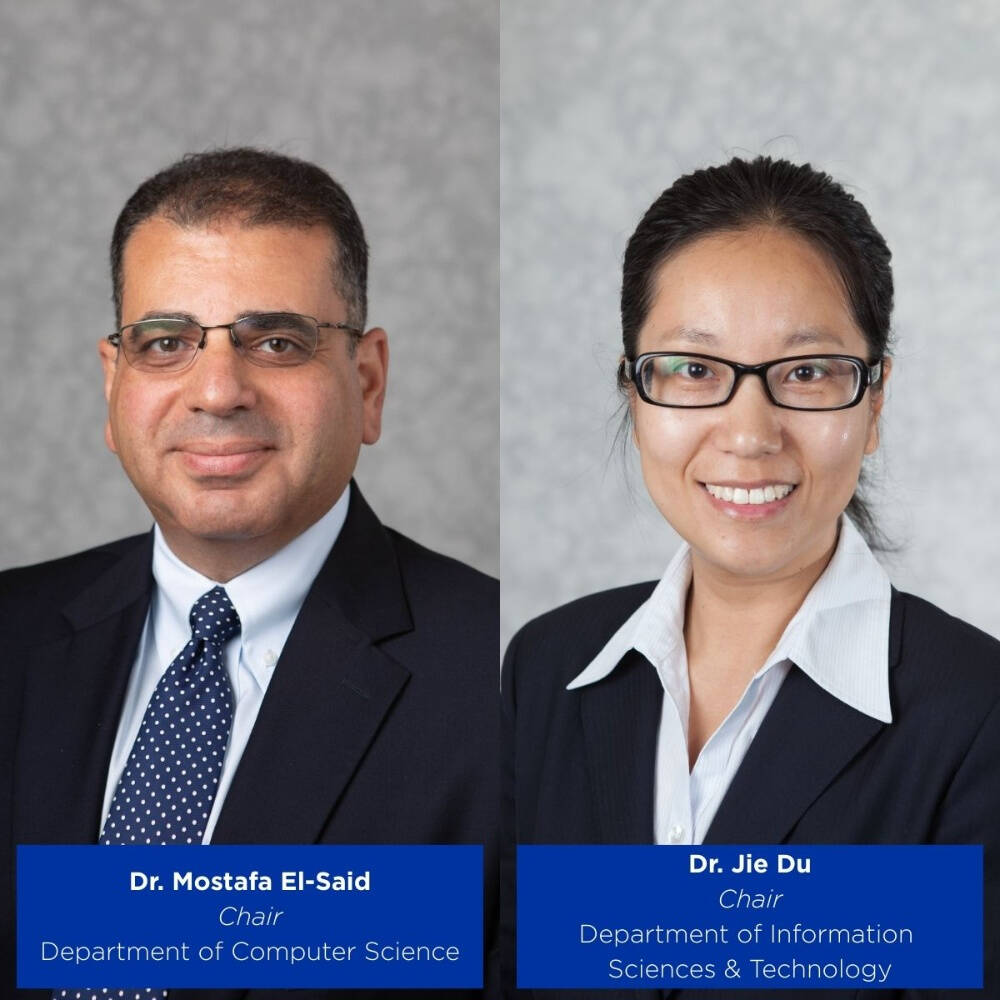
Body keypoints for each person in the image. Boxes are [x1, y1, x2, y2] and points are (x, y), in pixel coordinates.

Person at [0, 148, 498, 999]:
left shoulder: (506, 676)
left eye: (276, 341)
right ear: (113, 387)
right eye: (166, 343)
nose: (218, 390)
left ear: (368, 382)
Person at [503, 156, 1000, 999]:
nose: (748, 432)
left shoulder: (979, 715)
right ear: (635, 393)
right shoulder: (546, 669)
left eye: (806, 372)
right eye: (695, 370)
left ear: (873, 404)